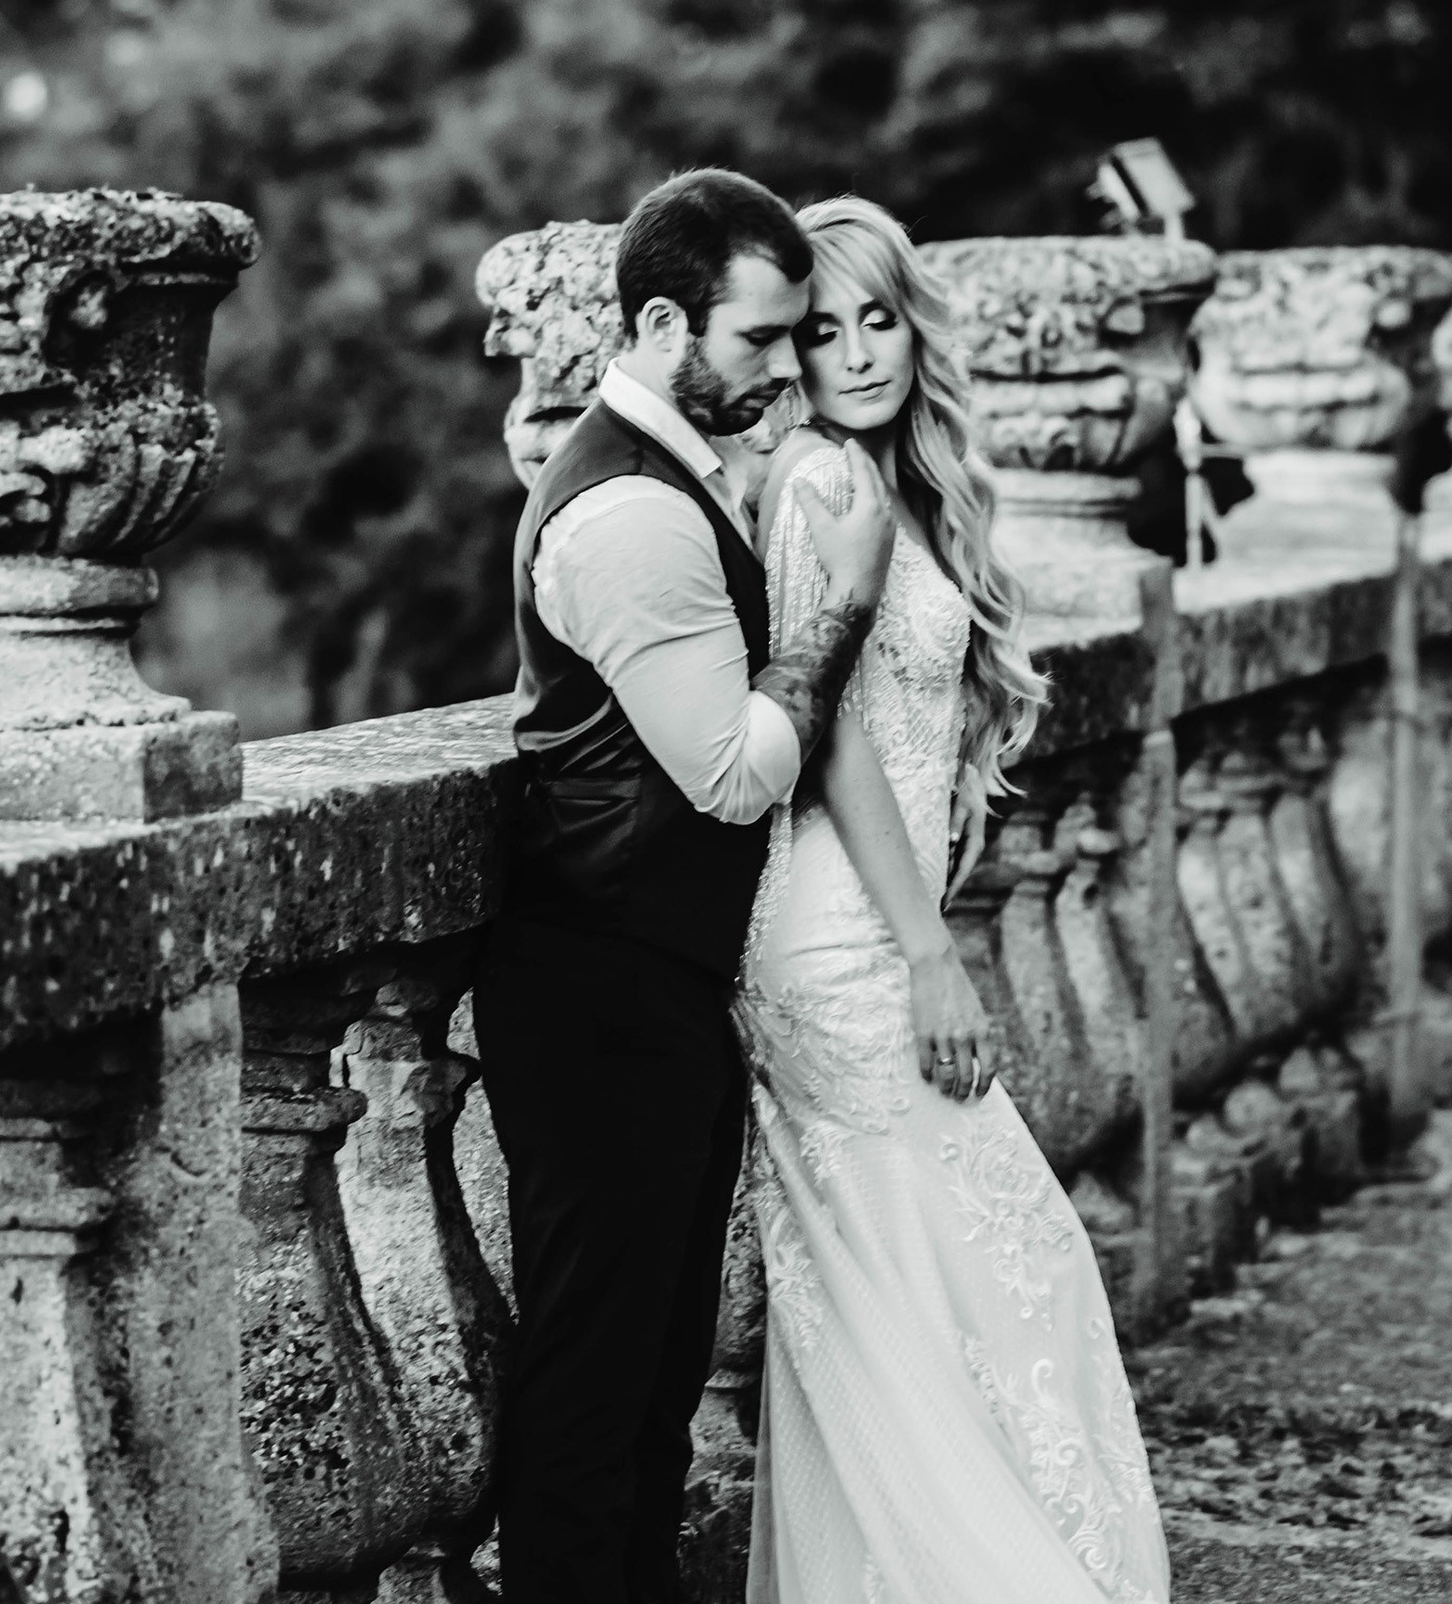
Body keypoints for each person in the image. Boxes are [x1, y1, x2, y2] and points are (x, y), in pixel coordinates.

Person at [473, 168, 899, 1604]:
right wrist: (845, 602)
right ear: (664, 324)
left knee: (656, 1375)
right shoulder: (629, 516)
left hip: (654, 981)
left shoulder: (682, 475)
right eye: (759, 337)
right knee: (597, 1380)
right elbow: (733, 770)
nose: (787, 366)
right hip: (599, 992)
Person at [737, 196, 1171, 1601]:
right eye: (822, 330)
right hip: (837, 942)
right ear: (788, 349)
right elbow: (832, 739)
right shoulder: (815, 485)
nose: (859, 352)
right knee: (1005, 1258)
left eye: (878, 318)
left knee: (923, 1296)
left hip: (877, 921)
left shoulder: (896, 489)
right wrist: (930, 954)